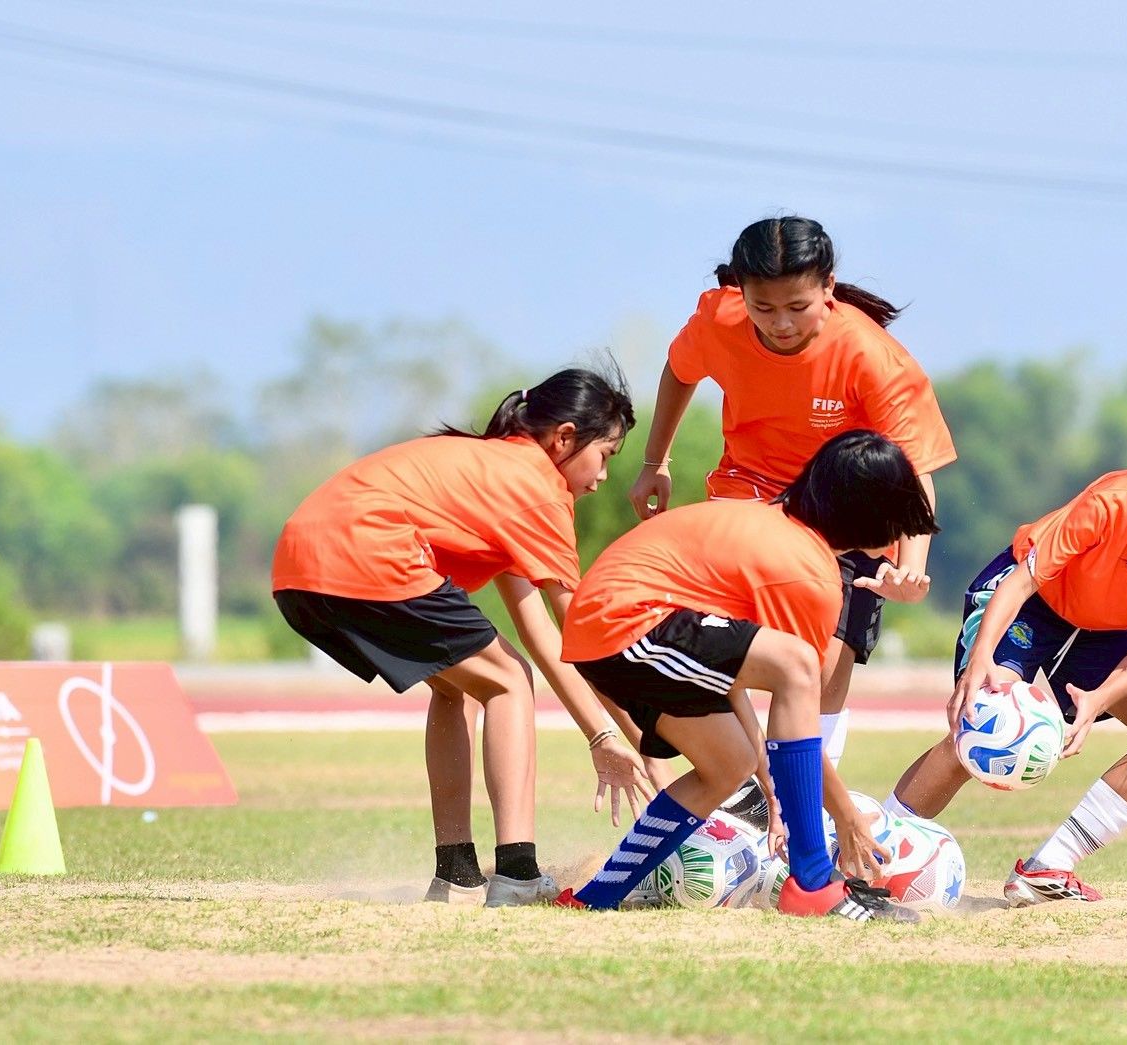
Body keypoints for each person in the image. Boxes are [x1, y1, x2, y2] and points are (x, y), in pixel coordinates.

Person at [271, 365, 653, 907]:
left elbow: (543, 632)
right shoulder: (537, 489)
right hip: (365, 550)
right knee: (508, 680)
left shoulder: (496, 471)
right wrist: (632, 740)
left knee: (461, 686)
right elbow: (583, 632)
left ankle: (456, 875)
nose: (604, 476)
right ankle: (518, 873)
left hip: (297, 566)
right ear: (565, 438)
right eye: (605, 455)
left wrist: (610, 736)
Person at [886, 417, 1127, 906]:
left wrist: (1096, 700)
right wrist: (981, 658)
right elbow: (1022, 582)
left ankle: (1049, 866)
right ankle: (873, 852)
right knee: (985, 723)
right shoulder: (1119, 500)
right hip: (1030, 602)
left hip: (1098, 631)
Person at [555, 430, 938, 920]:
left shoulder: (777, 531)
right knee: (798, 664)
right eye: (901, 519)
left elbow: (730, 674)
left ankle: (595, 898)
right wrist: (846, 816)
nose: (900, 538)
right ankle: (813, 882)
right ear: (870, 514)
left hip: (611, 626)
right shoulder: (806, 571)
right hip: (625, 621)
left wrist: (773, 790)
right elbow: (796, 697)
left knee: (729, 763)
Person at [627, 215, 957, 780]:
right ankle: (740, 785)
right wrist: (655, 464)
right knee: (709, 636)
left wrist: (911, 565)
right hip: (749, 495)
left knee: (824, 661)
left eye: (797, 307)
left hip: (845, 513)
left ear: (828, 287)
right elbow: (680, 371)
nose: (780, 324)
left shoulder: (871, 356)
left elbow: (914, 469)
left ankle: (807, 802)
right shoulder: (719, 319)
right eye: (764, 308)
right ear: (741, 293)